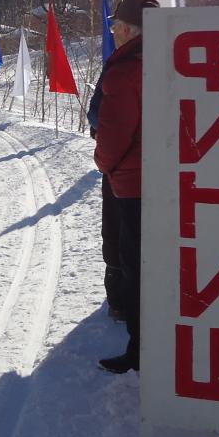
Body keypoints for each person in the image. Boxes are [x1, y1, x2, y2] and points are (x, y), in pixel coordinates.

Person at [94, 0, 159, 373]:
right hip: (172, 178)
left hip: (134, 184)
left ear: (130, 29)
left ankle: (141, 351)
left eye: (116, 25)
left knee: (138, 268)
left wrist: (103, 162)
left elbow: (114, 134)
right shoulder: (170, 59)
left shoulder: (125, 69)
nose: (113, 31)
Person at [87, 71, 125, 320]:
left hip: (121, 168)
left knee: (118, 228)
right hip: (126, 167)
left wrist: (105, 160)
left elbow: (96, 116)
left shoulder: (120, 66)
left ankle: (121, 299)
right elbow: (96, 116)